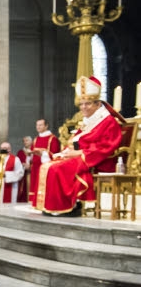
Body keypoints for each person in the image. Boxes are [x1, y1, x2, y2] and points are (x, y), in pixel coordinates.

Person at [36, 76, 123, 216]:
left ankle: (69, 206)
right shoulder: (88, 121)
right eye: (81, 104)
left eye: (87, 104)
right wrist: (64, 152)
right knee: (48, 165)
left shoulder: (109, 122)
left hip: (99, 161)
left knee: (57, 169)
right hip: (83, 157)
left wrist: (79, 153)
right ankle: (55, 206)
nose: (83, 107)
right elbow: (75, 141)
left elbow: (107, 146)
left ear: (97, 104)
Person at [28, 119, 61, 205]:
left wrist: (44, 153)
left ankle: (44, 202)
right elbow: (31, 152)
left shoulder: (52, 139)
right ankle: (34, 202)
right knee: (35, 184)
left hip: (46, 167)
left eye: (40, 125)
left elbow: (55, 154)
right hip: (35, 166)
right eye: (37, 125)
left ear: (46, 126)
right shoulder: (35, 139)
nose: (38, 127)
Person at [16, 136, 32, 203]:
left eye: (27, 140)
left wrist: (31, 166)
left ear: (31, 142)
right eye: (24, 141)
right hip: (24, 176)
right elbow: (17, 163)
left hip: (33, 174)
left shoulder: (35, 151)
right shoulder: (20, 152)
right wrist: (23, 165)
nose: (25, 142)